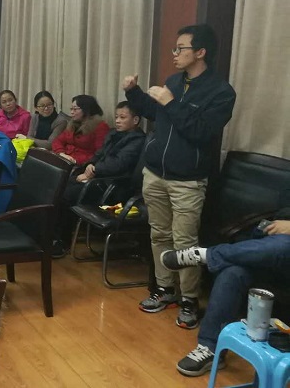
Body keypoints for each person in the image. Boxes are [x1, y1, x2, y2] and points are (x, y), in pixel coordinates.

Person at [124, 24, 236, 329]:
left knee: (185, 242)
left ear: (200, 52)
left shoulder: (221, 92)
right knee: (159, 234)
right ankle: (165, 290)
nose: (174, 53)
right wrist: (133, 93)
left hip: (188, 180)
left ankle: (189, 299)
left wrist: (170, 102)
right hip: (155, 173)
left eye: (180, 48)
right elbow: (156, 113)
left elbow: (201, 132)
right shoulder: (174, 81)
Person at [161, 219, 290, 376]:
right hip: (273, 250)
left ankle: (207, 255)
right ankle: (210, 348)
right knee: (233, 272)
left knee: (284, 244)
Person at [51, 101, 146, 258]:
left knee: (66, 195)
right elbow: (99, 154)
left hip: (113, 187)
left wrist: (93, 171)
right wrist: (90, 165)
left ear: (135, 120)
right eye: (116, 117)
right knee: (58, 186)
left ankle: (62, 241)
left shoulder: (137, 140)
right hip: (97, 180)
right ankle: (49, 234)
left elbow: (119, 164)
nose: (117, 121)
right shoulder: (114, 134)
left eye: (122, 117)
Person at [51, 95, 109, 165]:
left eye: (75, 109)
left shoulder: (100, 127)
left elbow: (99, 153)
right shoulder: (72, 123)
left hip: (82, 164)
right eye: (71, 109)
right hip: (65, 159)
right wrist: (61, 153)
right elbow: (58, 141)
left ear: (86, 110)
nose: (72, 112)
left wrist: (75, 160)